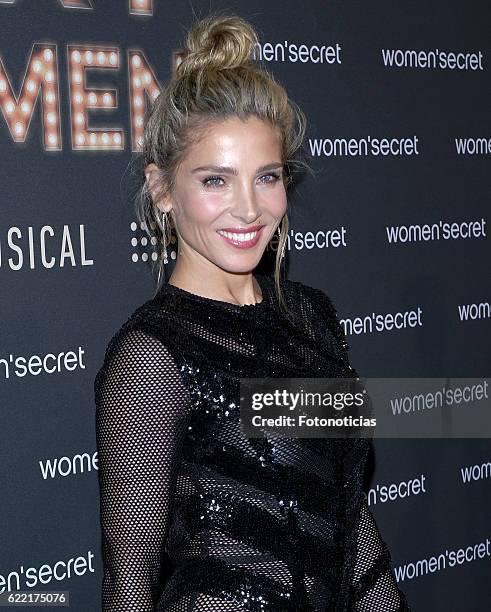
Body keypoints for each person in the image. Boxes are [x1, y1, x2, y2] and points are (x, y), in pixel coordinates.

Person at [94, 11, 411, 612]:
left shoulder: (311, 317)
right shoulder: (152, 356)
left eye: (266, 177)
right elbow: (131, 585)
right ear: (162, 190)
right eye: (216, 180)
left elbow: (351, 528)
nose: (248, 209)